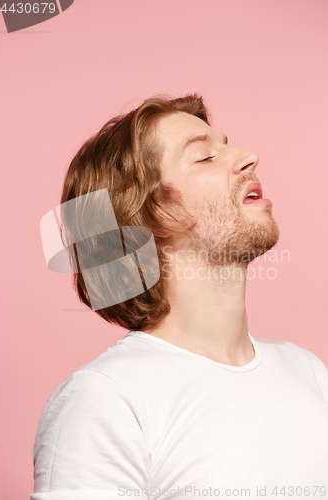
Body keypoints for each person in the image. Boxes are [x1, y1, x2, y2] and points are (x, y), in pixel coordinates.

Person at [31, 95, 328, 500]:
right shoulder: (105, 398)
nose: (249, 157)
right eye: (205, 156)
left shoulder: (307, 371)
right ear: (154, 214)